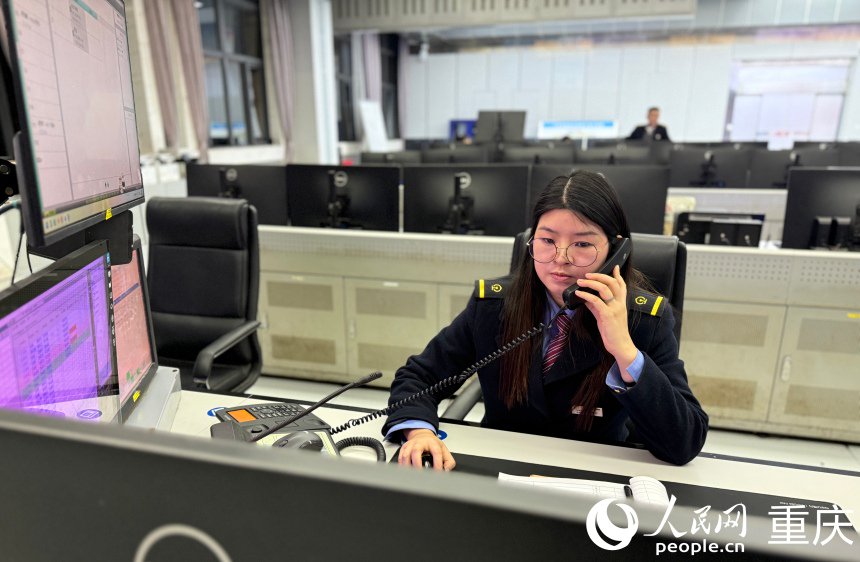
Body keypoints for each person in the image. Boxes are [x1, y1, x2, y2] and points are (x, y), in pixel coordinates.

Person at [382, 171, 707, 470]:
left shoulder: (644, 319)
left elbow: (684, 442)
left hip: (593, 477)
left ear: (616, 250)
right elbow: (420, 377)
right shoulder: (493, 305)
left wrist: (624, 350)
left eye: (582, 244)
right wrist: (418, 431)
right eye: (547, 240)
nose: (560, 258)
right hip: (502, 466)